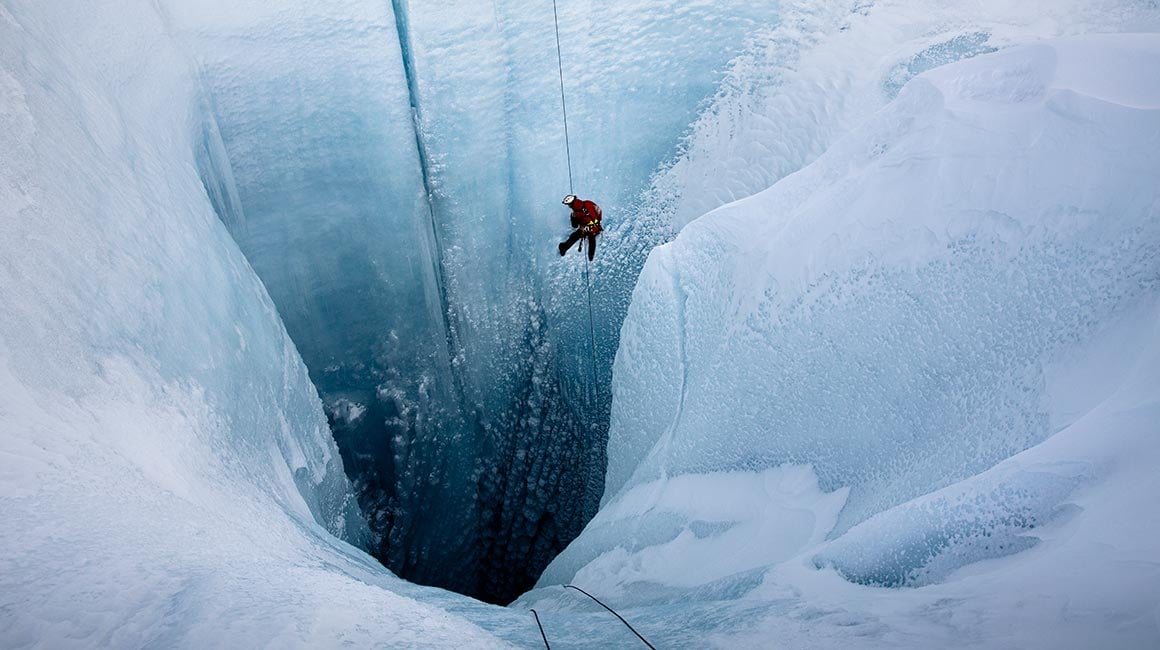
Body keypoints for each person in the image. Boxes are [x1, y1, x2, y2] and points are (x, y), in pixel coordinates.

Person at [557, 195, 602, 260]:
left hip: (594, 227)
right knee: (578, 235)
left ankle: (590, 256)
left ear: (571, 204)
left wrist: (587, 227)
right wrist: (573, 217)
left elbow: (596, 220)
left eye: (568, 205)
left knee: (588, 236)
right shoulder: (584, 205)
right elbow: (575, 225)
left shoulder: (585, 207)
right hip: (588, 227)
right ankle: (590, 256)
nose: (568, 207)